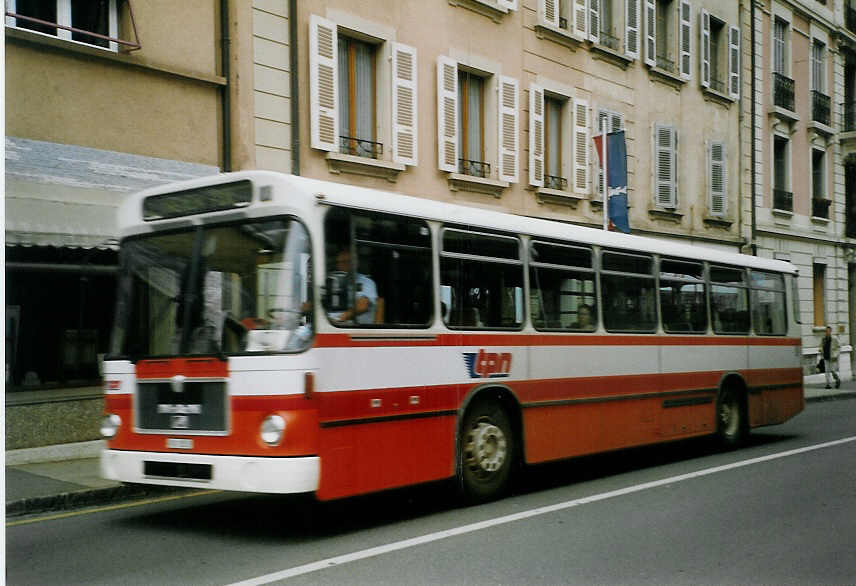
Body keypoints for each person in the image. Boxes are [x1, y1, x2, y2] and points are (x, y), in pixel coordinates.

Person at [329, 248, 378, 324]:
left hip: (356, 329)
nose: (341, 265)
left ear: (355, 263)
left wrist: (338, 319)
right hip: (334, 325)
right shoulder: (335, 282)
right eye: (339, 262)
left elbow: (362, 306)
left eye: (345, 262)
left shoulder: (367, 282)